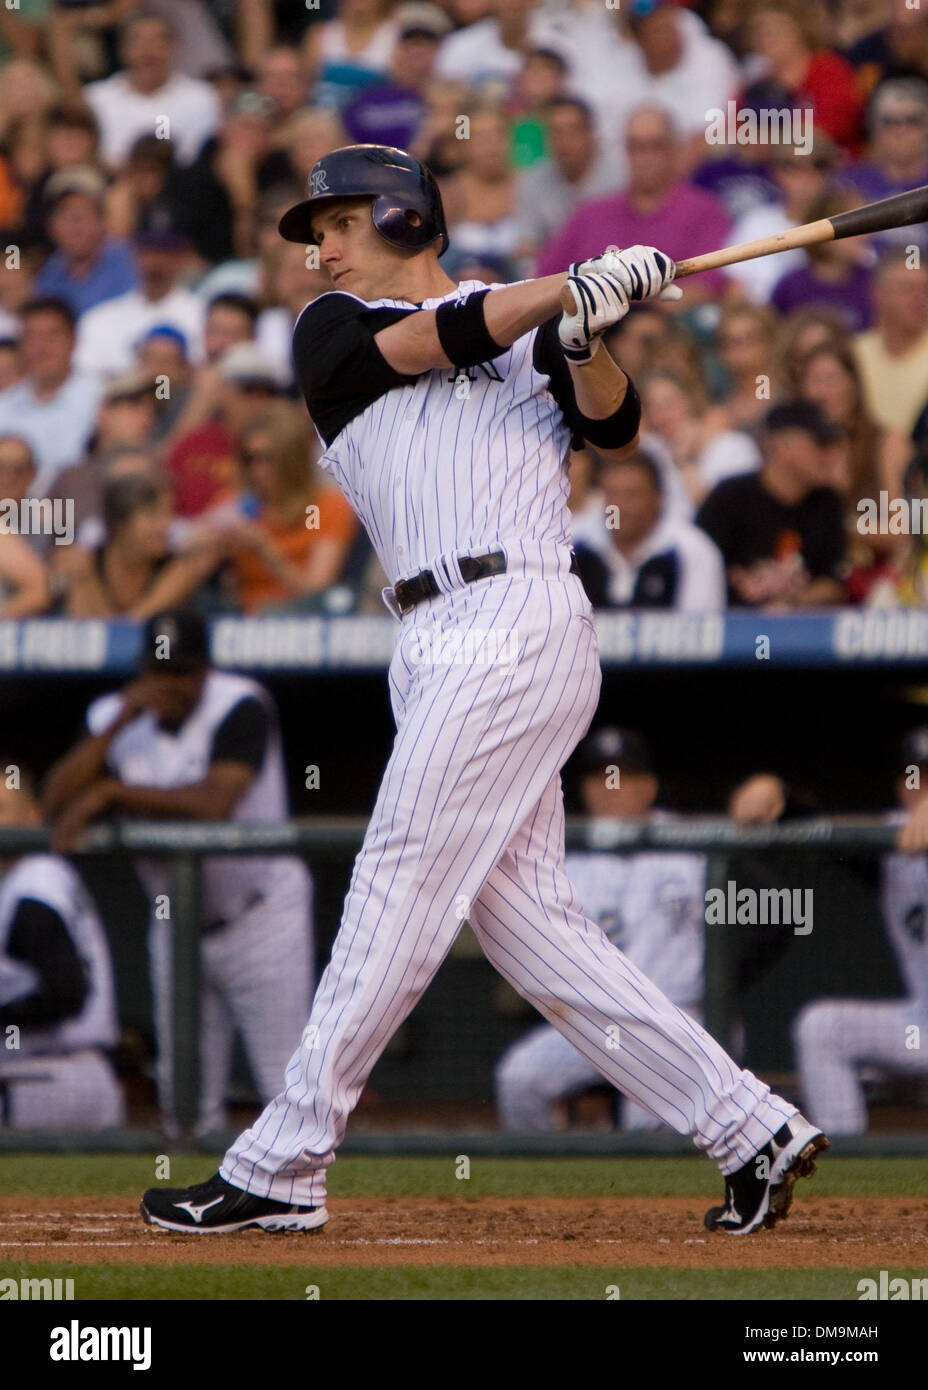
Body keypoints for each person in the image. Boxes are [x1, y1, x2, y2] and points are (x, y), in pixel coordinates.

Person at [138, 142, 827, 1236]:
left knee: (398, 872)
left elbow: (611, 423)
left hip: (514, 614)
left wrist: (589, 332)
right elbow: (440, 337)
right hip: (429, 635)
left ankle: (284, 1157)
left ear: (403, 212)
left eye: (336, 220)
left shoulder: (526, 321)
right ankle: (747, 1126)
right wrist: (573, 284)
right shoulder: (331, 334)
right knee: (531, 925)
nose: (318, 245)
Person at [42, 609, 314, 1137]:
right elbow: (53, 801)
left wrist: (111, 791)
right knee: (183, 1102)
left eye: (183, 672)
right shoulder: (113, 716)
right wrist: (118, 724)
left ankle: (316, 1204)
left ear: (205, 671)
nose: (170, 684)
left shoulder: (241, 703)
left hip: (261, 915)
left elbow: (215, 802)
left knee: (286, 1086)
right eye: (160, 671)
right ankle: (197, 1207)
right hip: (175, 922)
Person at [496, 727, 706, 1133]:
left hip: (681, 1017)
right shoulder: (561, 858)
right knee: (518, 1078)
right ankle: (555, 1194)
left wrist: (721, 997)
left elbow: (763, 926)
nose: (608, 788)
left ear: (649, 786)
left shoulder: (691, 844)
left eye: (621, 776)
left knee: (643, 1120)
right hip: (600, 1020)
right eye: (597, 777)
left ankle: (645, 1197)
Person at [733, 732, 928, 1136]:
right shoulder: (893, 843)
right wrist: (778, 793)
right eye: (918, 780)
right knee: (822, 1027)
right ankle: (847, 1178)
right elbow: (817, 826)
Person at [0, 768, 124, 1131]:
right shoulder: (22, 879)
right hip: (44, 1074)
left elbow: (65, 992)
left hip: (55, 1076)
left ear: (33, 817)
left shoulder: (34, 883)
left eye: (3, 809)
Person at [534, 105, 732, 304]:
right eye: (635, 146)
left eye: (655, 146)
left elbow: (707, 285)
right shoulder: (590, 214)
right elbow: (544, 278)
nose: (644, 157)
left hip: (667, 325)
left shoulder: (705, 212)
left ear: (675, 150)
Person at [201, 401, 358, 614]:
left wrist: (263, 548)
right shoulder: (236, 502)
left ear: (291, 459)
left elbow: (315, 589)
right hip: (240, 616)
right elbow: (189, 544)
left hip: (302, 617)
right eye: (251, 459)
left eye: (268, 459)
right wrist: (207, 542)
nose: (258, 471)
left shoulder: (322, 506)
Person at [697, 401, 847, 609]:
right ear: (783, 446)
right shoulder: (729, 497)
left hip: (801, 635)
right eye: (821, 443)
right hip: (732, 630)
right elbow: (699, 569)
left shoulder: (828, 502)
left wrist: (789, 604)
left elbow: (833, 583)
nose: (832, 455)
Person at [573, 449, 727, 611]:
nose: (620, 508)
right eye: (613, 495)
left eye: (631, 495)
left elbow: (701, 626)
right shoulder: (574, 541)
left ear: (657, 499)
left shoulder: (694, 551)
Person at [56, 472, 216, 620]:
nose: (166, 525)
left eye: (168, 513)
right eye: (153, 515)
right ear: (120, 523)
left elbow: (135, 625)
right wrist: (84, 579)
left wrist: (88, 582)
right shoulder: (87, 562)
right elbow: (88, 634)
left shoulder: (179, 567)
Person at [82, 9, 222, 170]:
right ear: (123, 49)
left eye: (158, 40)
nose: (148, 51)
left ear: (175, 46)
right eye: (138, 40)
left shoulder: (203, 98)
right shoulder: (95, 99)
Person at [0, 295, 102, 495]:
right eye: (31, 337)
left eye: (52, 336)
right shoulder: (3, 405)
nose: (41, 348)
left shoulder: (100, 399)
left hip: (75, 511)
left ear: (73, 340)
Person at [641, 367, 761, 509]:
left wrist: (684, 459)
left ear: (689, 401)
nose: (661, 416)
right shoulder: (650, 451)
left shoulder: (733, 446)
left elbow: (712, 510)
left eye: (669, 403)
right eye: (652, 407)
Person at [33, 166, 138, 318]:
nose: (74, 225)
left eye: (83, 214)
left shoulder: (130, 263)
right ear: (51, 226)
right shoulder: (48, 275)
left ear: (103, 220)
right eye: (65, 215)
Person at [853, 248, 928, 434]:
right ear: (877, 293)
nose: (919, 298)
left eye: (925, 289)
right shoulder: (853, 353)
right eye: (906, 288)